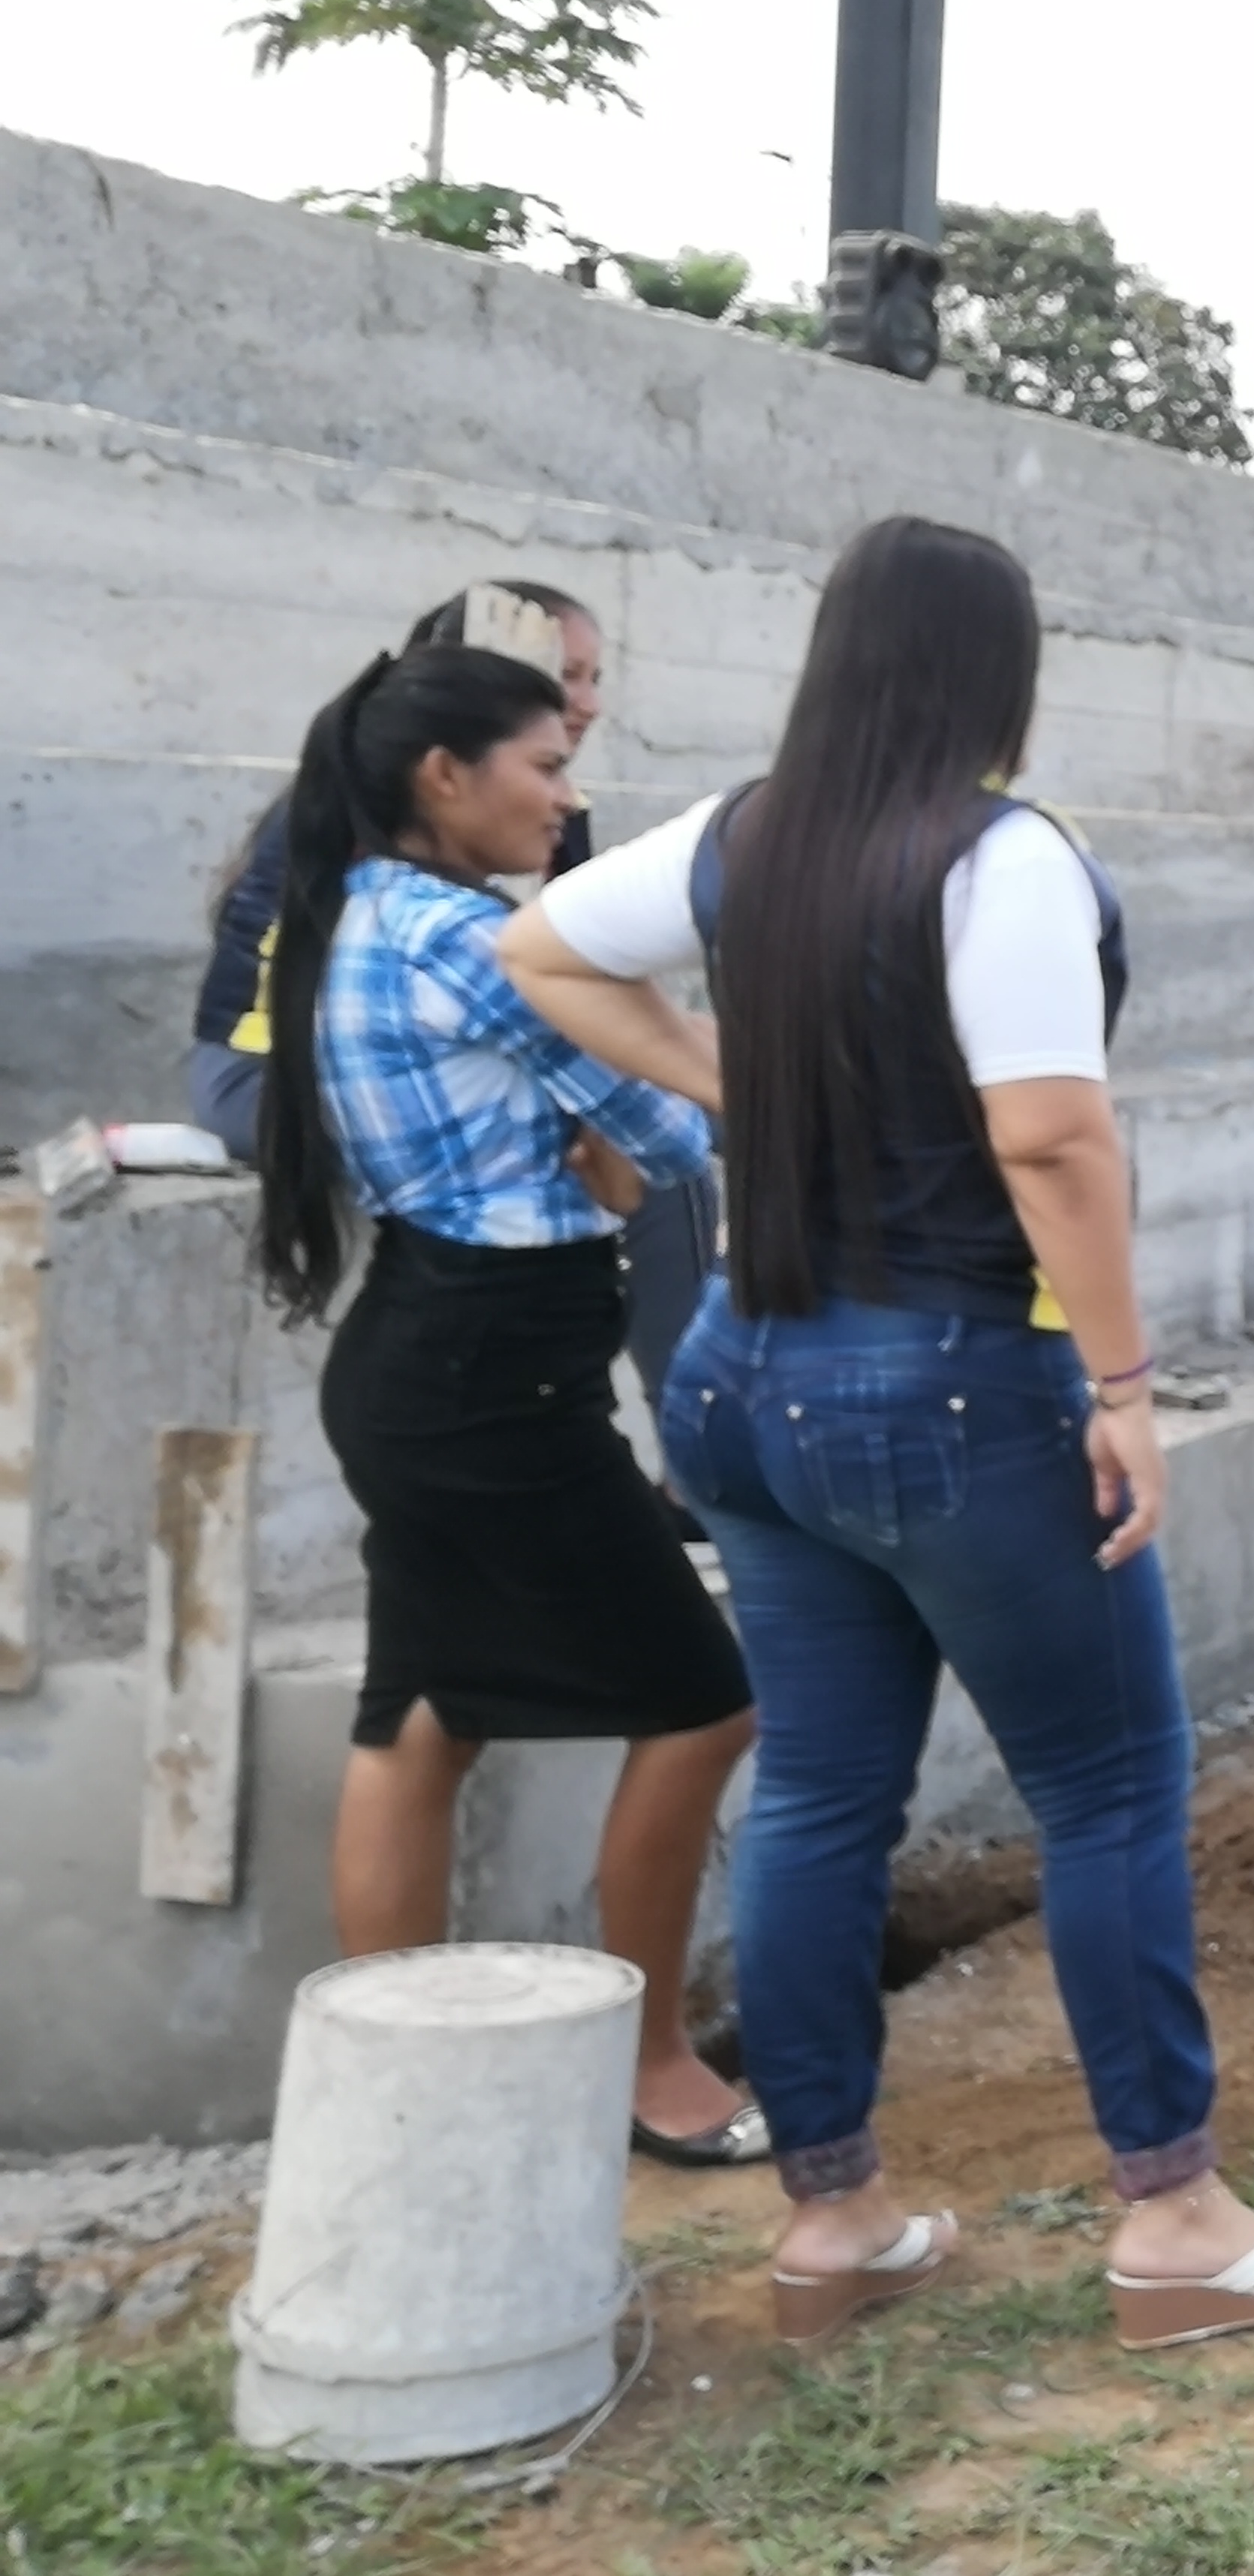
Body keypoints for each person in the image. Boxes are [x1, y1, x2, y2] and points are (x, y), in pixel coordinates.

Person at [501, 516, 1254, 2354]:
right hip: (949, 1383)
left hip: (745, 1376)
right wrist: (1124, 1389)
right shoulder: (1001, 858)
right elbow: (1047, 1135)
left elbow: (541, 948)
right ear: (997, 675)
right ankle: (1174, 2213)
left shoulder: (745, 838)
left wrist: (736, 1079)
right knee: (1107, 1786)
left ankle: (836, 2216)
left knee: (822, 1793)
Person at [246, 639, 763, 2166]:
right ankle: (649, 2065)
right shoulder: (478, 941)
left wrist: (607, 1140)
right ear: (444, 775)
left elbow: (619, 1139)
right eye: (545, 764)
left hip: (426, 1360)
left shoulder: (358, 911)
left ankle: (391, 2086)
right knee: (705, 1703)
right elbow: (669, 1133)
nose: (565, 796)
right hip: (498, 1385)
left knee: (422, 1713)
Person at [197, 578, 720, 1430]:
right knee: (667, 1156)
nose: (586, 703)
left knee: (679, 1105)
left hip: (416, 1065)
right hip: (267, 1073)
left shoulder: (525, 814)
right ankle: (696, 1433)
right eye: (563, 675)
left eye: (590, 679)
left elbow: (592, 994)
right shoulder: (381, 829)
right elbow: (563, 1006)